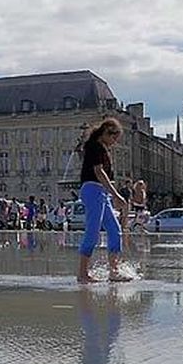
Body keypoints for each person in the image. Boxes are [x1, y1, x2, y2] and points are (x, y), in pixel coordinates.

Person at [75, 118, 131, 283]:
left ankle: (114, 271)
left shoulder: (104, 149)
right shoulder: (94, 146)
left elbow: (107, 177)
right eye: (114, 138)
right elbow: (99, 173)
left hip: (101, 192)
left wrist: (111, 194)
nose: (114, 142)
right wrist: (116, 195)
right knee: (92, 232)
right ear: (106, 132)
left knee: (114, 230)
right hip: (92, 190)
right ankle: (82, 273)